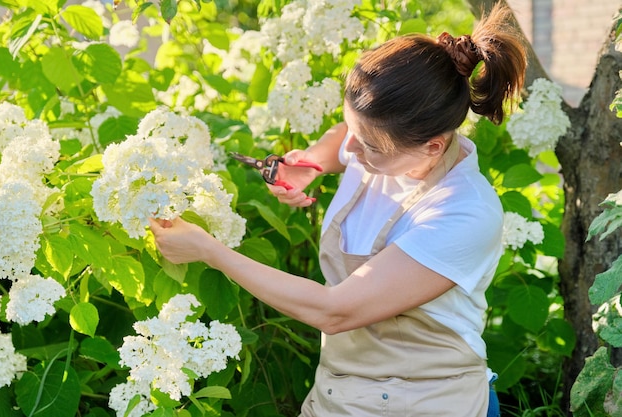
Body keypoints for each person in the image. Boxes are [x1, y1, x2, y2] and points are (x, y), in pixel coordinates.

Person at [149, 3, 526, 416]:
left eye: (368, 146)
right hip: (343, 392)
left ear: (432, 146)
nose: (349, 150)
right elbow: (350, 132)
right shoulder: (391, 146)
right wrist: (309, 163)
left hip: (425, 401)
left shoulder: (464, 212)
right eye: (353, 129)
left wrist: (211, 251)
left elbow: (335, 310)